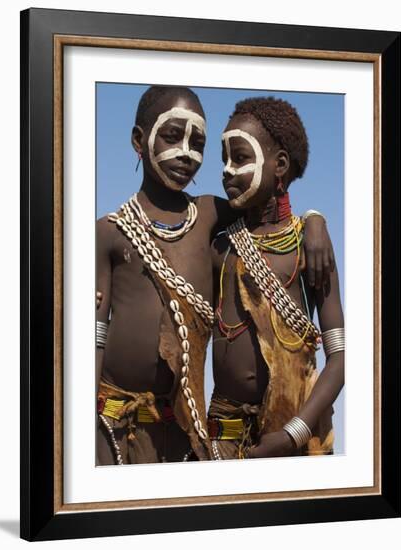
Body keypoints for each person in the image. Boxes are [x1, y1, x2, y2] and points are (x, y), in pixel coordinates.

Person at [96, 86, 334, 465]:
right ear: (139, 140)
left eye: (198, 143)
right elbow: (91, 339)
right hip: (115, 425)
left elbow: (268, 210)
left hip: (185, 430)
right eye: (173, 136)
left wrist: (316, 220)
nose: (187, 154)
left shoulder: (208, 216)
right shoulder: (112, 231)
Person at [208, 96, 344, 461]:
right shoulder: (220, 247)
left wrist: (291, 435)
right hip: (224, 437)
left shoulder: (310, 247)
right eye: (224, 159)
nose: (226, 169)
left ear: (279, 164)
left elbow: (340, 358)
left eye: (240, 157)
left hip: (295, 436)